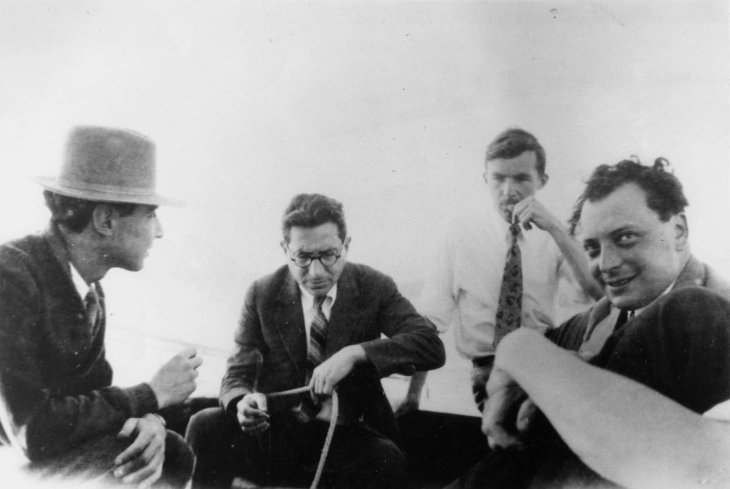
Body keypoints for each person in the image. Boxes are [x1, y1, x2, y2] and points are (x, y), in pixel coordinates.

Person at [454, 157, 730, 488]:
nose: (606, 264)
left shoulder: (714, 317)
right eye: (593, 248)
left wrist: (521, 352)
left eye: (626, 238)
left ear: (679, 231)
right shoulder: (599, 317)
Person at [185, 193, 445, 489]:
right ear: (285, 249)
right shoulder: (261, 293)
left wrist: (354, 354)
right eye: (303, 258)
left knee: (386, 459)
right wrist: (242, 403)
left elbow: (430, 345)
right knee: (204, 425)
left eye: (329, 255)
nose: (317, 272)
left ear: (346, 246)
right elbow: (237, 374)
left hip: (346, 436)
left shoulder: (374, 286)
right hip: (276, 432)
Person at [0, 126, 203, 488]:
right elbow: (32, 431)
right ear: (105, 219)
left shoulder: (89, 291)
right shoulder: (11, 276)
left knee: (166, 450)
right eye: (150, 214)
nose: (158, 231)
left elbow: (96, 403)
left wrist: (149, 420)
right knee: (131, 457)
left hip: (29, 462)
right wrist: (150, 395)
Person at [395, 127, 602, 416]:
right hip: (492, 368)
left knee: (603, 316)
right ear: (485, 179)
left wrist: (555, 228)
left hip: (545, 356)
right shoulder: (461, 235)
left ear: (541, 181)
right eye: (499, 178)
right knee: (534, 418)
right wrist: (413, 396)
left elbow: (599, 293)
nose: (508, 190)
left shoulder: (554, 236)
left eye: (521, 178)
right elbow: (430, 321)